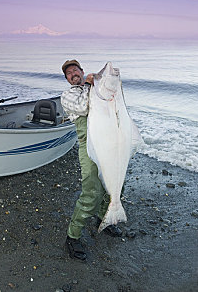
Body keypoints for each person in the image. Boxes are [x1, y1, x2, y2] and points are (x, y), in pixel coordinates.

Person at [61, 59, 122, 261]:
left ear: (82, 70)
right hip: (88, 147)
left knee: (112, 185)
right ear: (68, 79)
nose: (73, 74)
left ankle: (103, 218)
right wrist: (89, 85)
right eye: (69, 73)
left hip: (107, 143)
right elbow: (82, 107)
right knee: (91, 190)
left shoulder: (95, 90)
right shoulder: (69, 95)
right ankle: (73, 236)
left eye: (75, 70)